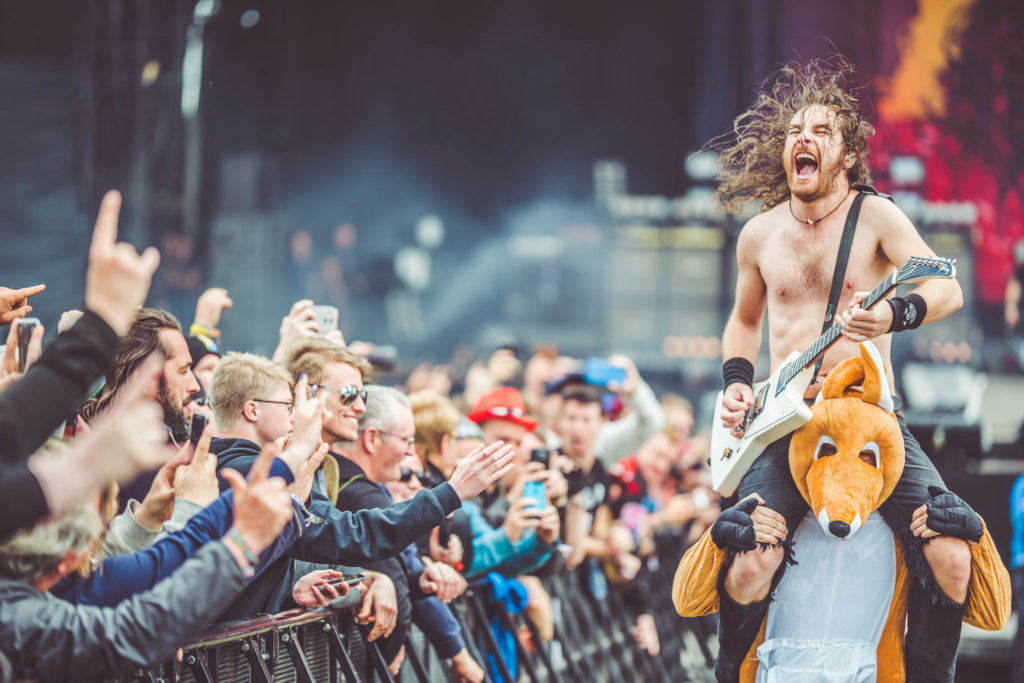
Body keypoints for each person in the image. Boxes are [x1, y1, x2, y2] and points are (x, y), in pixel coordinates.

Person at [713, 56, 973, 682]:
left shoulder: (876, 216)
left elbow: (947, 290)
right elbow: (744, 320)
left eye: (821, 131)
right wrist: (737, 382)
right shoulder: (760, 234)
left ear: (848, 154)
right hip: (788, 424)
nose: (803, 139)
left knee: (951, 554)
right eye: (794, 131)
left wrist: (894, 316)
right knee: (747, 564)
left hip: (871, 422)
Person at [0, 440, 296, 680]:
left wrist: (146, 519)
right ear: (68, 559)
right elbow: (138, 628)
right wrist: (242, 544)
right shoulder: (23, 621)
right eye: (100, 525)